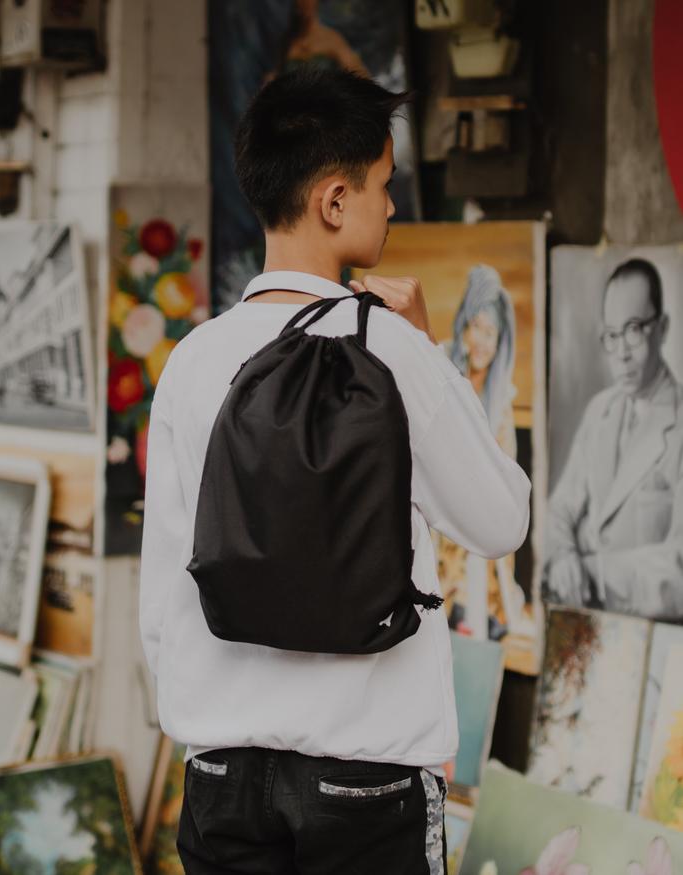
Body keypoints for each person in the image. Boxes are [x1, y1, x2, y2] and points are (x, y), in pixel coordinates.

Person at [139, 66, 530, 875]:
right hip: (367, 785)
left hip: (222, 783)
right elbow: (501, 519)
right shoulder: (389, 348)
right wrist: (430, 350)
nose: (392, 206)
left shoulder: (193, 361)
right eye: (384, 185)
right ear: (334, 200)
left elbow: (163, 598)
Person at [543, 257, 683, 619]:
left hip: (659, 637)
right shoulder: (600, 411)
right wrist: (563, 556)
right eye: (611, 335)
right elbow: (558, 510)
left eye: (634, 329)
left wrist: (592, 574)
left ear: (663, 328)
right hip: (588, 627)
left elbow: (679, 564)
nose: (621, 353)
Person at [435, 265, 533, 643]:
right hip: (439, 519)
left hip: (479, 524)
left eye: (490, 333)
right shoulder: (441, 367)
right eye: (476, 326)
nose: (481, 341)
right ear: (464, 324)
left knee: (483, 623)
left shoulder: (501, 397)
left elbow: (505, 473)